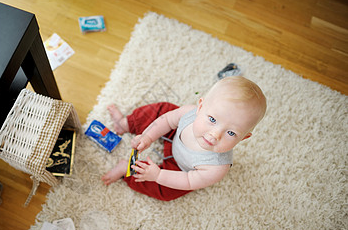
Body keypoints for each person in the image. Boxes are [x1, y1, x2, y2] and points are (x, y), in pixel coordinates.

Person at [101, 76, 267, 201]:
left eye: (231, 133)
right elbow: (166, 121)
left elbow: (188, 181)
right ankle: (125, 124)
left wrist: (158, 175)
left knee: (165, 191)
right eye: (212, 119)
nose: (215, 135)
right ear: (200, 107)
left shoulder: (217, 167)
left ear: (244, 138)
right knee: (164, 111)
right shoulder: (189, 113)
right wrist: (148, 136)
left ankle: (126, 170)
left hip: (180, 168)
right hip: (175, 136)